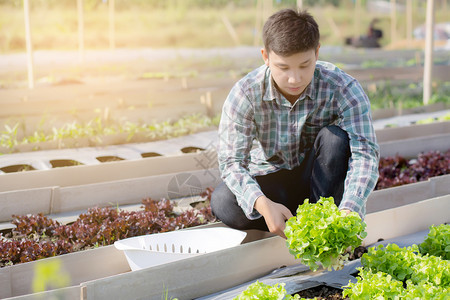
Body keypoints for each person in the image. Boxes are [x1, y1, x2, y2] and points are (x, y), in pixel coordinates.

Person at [211, 9, 379, 238]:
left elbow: (365, 153)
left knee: (335, 139)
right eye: (283, 67)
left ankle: (326, 225)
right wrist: (262, 203)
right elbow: (232, 162)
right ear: (265, 57)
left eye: (304, 65)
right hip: (272, 183)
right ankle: (284, 222)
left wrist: (350, 207)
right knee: (223, 201)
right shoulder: (245, 93)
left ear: (317, 53)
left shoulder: (342, 87)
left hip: (321, 186)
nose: (294, 78)